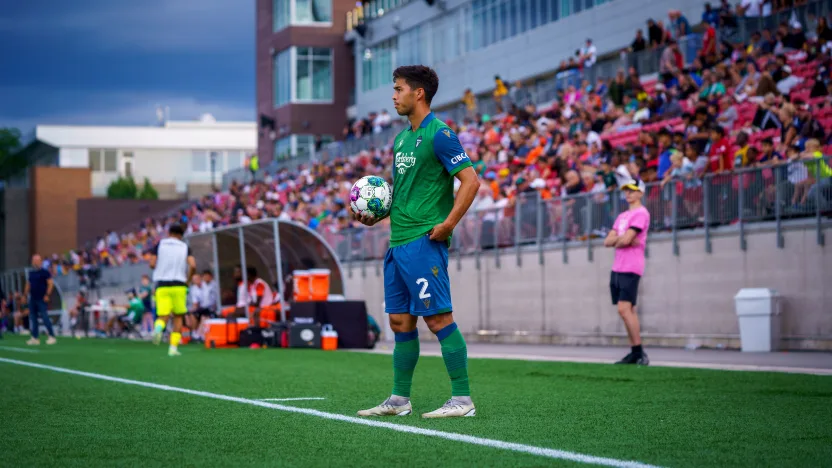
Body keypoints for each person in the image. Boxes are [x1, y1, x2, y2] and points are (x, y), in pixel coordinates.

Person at [355, 65, 480, 418]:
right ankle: (399, 400)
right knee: (399, 322)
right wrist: (376, 215)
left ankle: (462, 399)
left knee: (439, 319)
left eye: (398, 89)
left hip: (425, 241)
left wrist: (448, 224)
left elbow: (471, 182)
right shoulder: (401, 139)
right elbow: (402, 195)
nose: (393, 96)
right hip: (397, 243)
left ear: (418, 93)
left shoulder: (440, 134)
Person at [603, 180, 650, 365]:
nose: (628, 194)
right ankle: (634, 351)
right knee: (627, 310)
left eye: (632, 191)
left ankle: (639, 352)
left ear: (640, 193)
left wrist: (621, 239)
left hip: (631, 266)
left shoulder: (641, 213)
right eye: (626, 191)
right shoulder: (622, 215)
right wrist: (622, 239)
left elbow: (625, 239)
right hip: (618, 267)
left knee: (624, 309)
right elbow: (608, 241)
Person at [149, 224, 196, 356]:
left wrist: (160, 268)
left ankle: (158, 329)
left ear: (169, 233)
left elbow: (152, 263)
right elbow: (193, 265)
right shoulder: (185, 247)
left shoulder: (160, 244)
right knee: (178, 317)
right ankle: (173, 348)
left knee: (163, 315)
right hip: (179, 284)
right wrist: (188, 280)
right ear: (181, 235)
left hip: (162, 284)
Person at [25, 254, 56, 345]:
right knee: (33, 318)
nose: (35, 262)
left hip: (41, 298)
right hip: (33, 298)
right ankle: (35, 337)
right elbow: (28, 284)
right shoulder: (31, 273)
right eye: (34, 260)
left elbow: (50, 284)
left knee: (45, 317)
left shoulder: (45, 272)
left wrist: (47, 295)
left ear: (40, 261)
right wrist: (24, 295)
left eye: (37, 260)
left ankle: (51, 335)